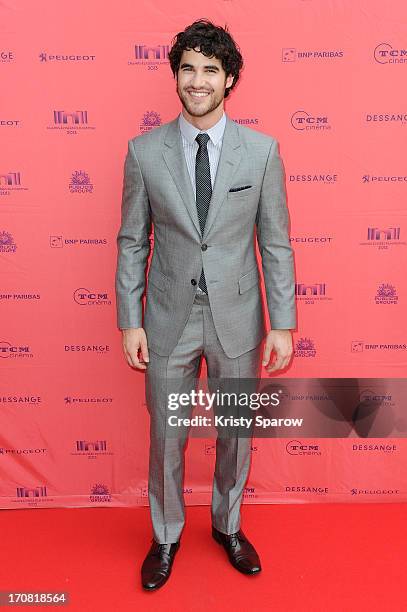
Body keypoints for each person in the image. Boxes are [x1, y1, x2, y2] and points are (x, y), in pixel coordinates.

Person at [115, 18, 297, 591]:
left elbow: (274, 242)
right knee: (167, 433)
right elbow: (132, 241)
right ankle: (165, 535)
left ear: (230, 79)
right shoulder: (143, 152)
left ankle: (228, 525)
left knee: (235, 431)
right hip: (168, 316)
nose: (197, 81)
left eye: (210, 71)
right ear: (176, 76)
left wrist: (283, 323)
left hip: (238, 318)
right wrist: (129, 320)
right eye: (188, 69)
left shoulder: (262, 153)